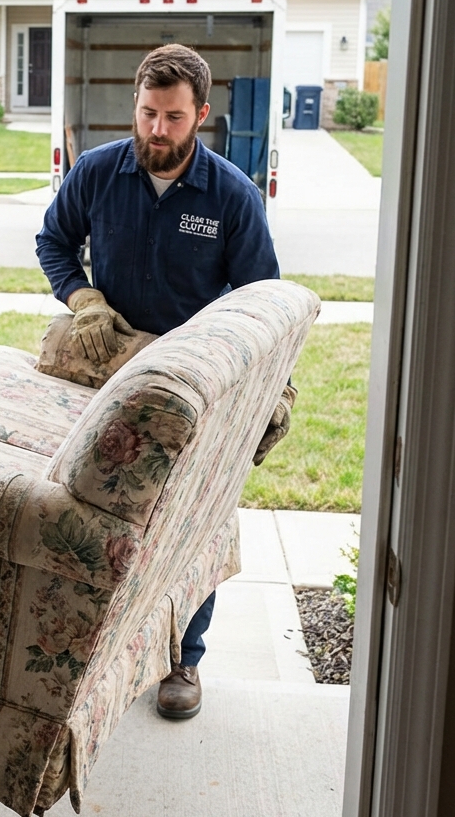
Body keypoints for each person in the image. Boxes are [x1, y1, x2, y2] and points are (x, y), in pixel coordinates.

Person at [36, 43, 292, 721]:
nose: (156, 129)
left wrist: (277, 390)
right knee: (101, 518)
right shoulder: (97, 173)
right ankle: (97, 652)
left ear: (200, 116)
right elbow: (53, 242)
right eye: (148, 113)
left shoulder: (232, 197)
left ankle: (184, 658)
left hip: (195, 386)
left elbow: (263, 302)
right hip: (110, 374)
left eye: (173, 117)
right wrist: (83, 299)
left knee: (191, 524)